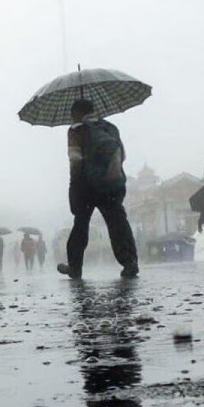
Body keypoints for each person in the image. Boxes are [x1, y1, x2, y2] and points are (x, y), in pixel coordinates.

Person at [57, 99, 139, 280]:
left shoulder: (76, 130)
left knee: (80, 225)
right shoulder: (110, 128)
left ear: (77, 112)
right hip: (111, 185)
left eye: (72, 114)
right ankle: (130, 263)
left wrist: (74, 188)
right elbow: (121, 155)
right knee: (118, 223)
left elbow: (75, 160)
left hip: (86, 186)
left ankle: (75, 267)